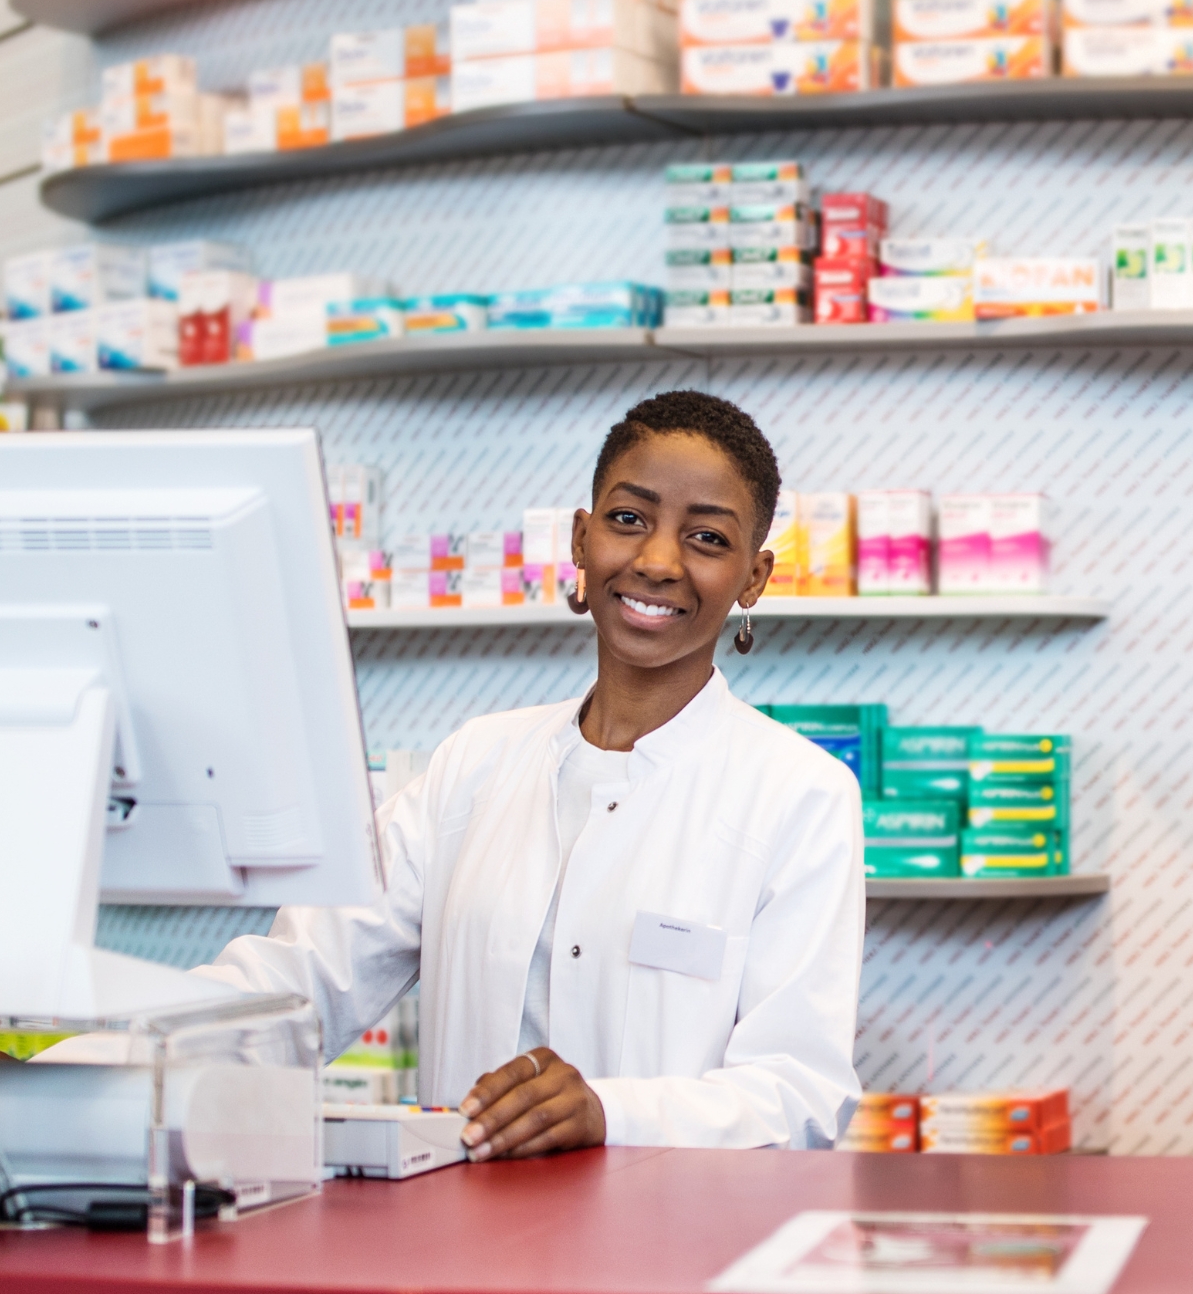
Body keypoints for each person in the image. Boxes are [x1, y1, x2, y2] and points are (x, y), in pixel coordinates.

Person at [201, 391, 862, 1156]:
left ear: (753, 577)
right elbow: (304, 977)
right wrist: (104, 1039)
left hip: (668, 1247)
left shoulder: (797, 795)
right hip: (461, 1238)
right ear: (581, 540)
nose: (656, 560)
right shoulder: (473, 764)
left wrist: (608, 1116)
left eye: (707, 537)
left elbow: (798, 1091)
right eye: (628, 519)